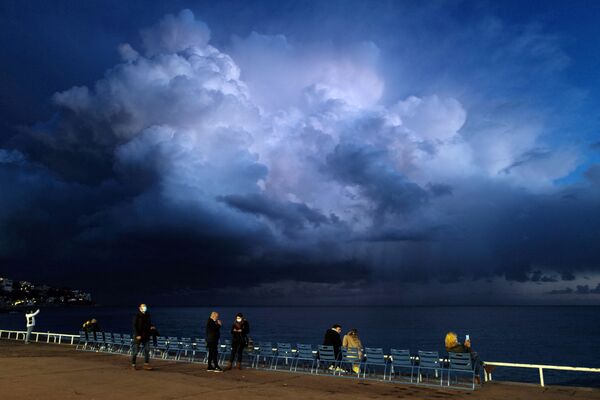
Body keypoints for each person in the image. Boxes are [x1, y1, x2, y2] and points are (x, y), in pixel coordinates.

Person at [131, 304, 153, 371]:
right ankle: (133, 365)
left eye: (145, 306)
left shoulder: (148, 315)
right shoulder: (137, 316)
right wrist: (137, 335)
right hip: (138, 336)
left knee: (147, 350)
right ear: (140, 308)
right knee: (136, 351)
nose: (144, 307)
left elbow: (149, 323)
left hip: (146, 336)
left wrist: (151, 326)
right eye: (143, 306)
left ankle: (146, 364)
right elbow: (134, 326)